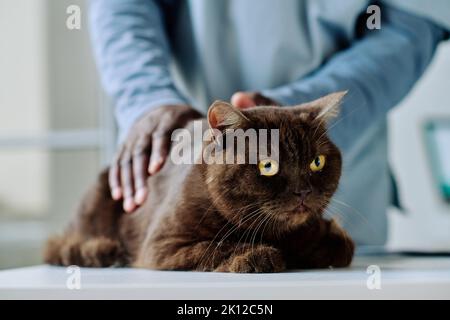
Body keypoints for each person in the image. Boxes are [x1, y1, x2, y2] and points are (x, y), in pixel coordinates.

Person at [88, 0, 449, 245]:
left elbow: (412, 23)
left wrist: (293, 115)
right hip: (183, 191)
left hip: (341, 212)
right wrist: (148, 95)